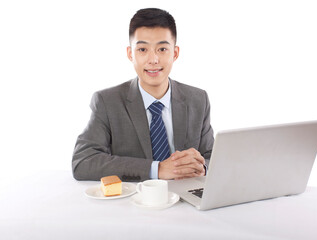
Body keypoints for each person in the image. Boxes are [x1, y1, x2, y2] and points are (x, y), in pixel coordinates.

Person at [72, 8, 214, 181]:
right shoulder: (107, 102)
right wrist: (157, 169)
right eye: (142, 50)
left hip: (186, 201)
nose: (153, 60)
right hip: (133, 202)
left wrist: (202, 168)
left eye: (162, 49)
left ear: (175, 53)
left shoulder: (198, 100)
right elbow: (83, 161)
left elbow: (212, 156)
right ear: (130, 54)